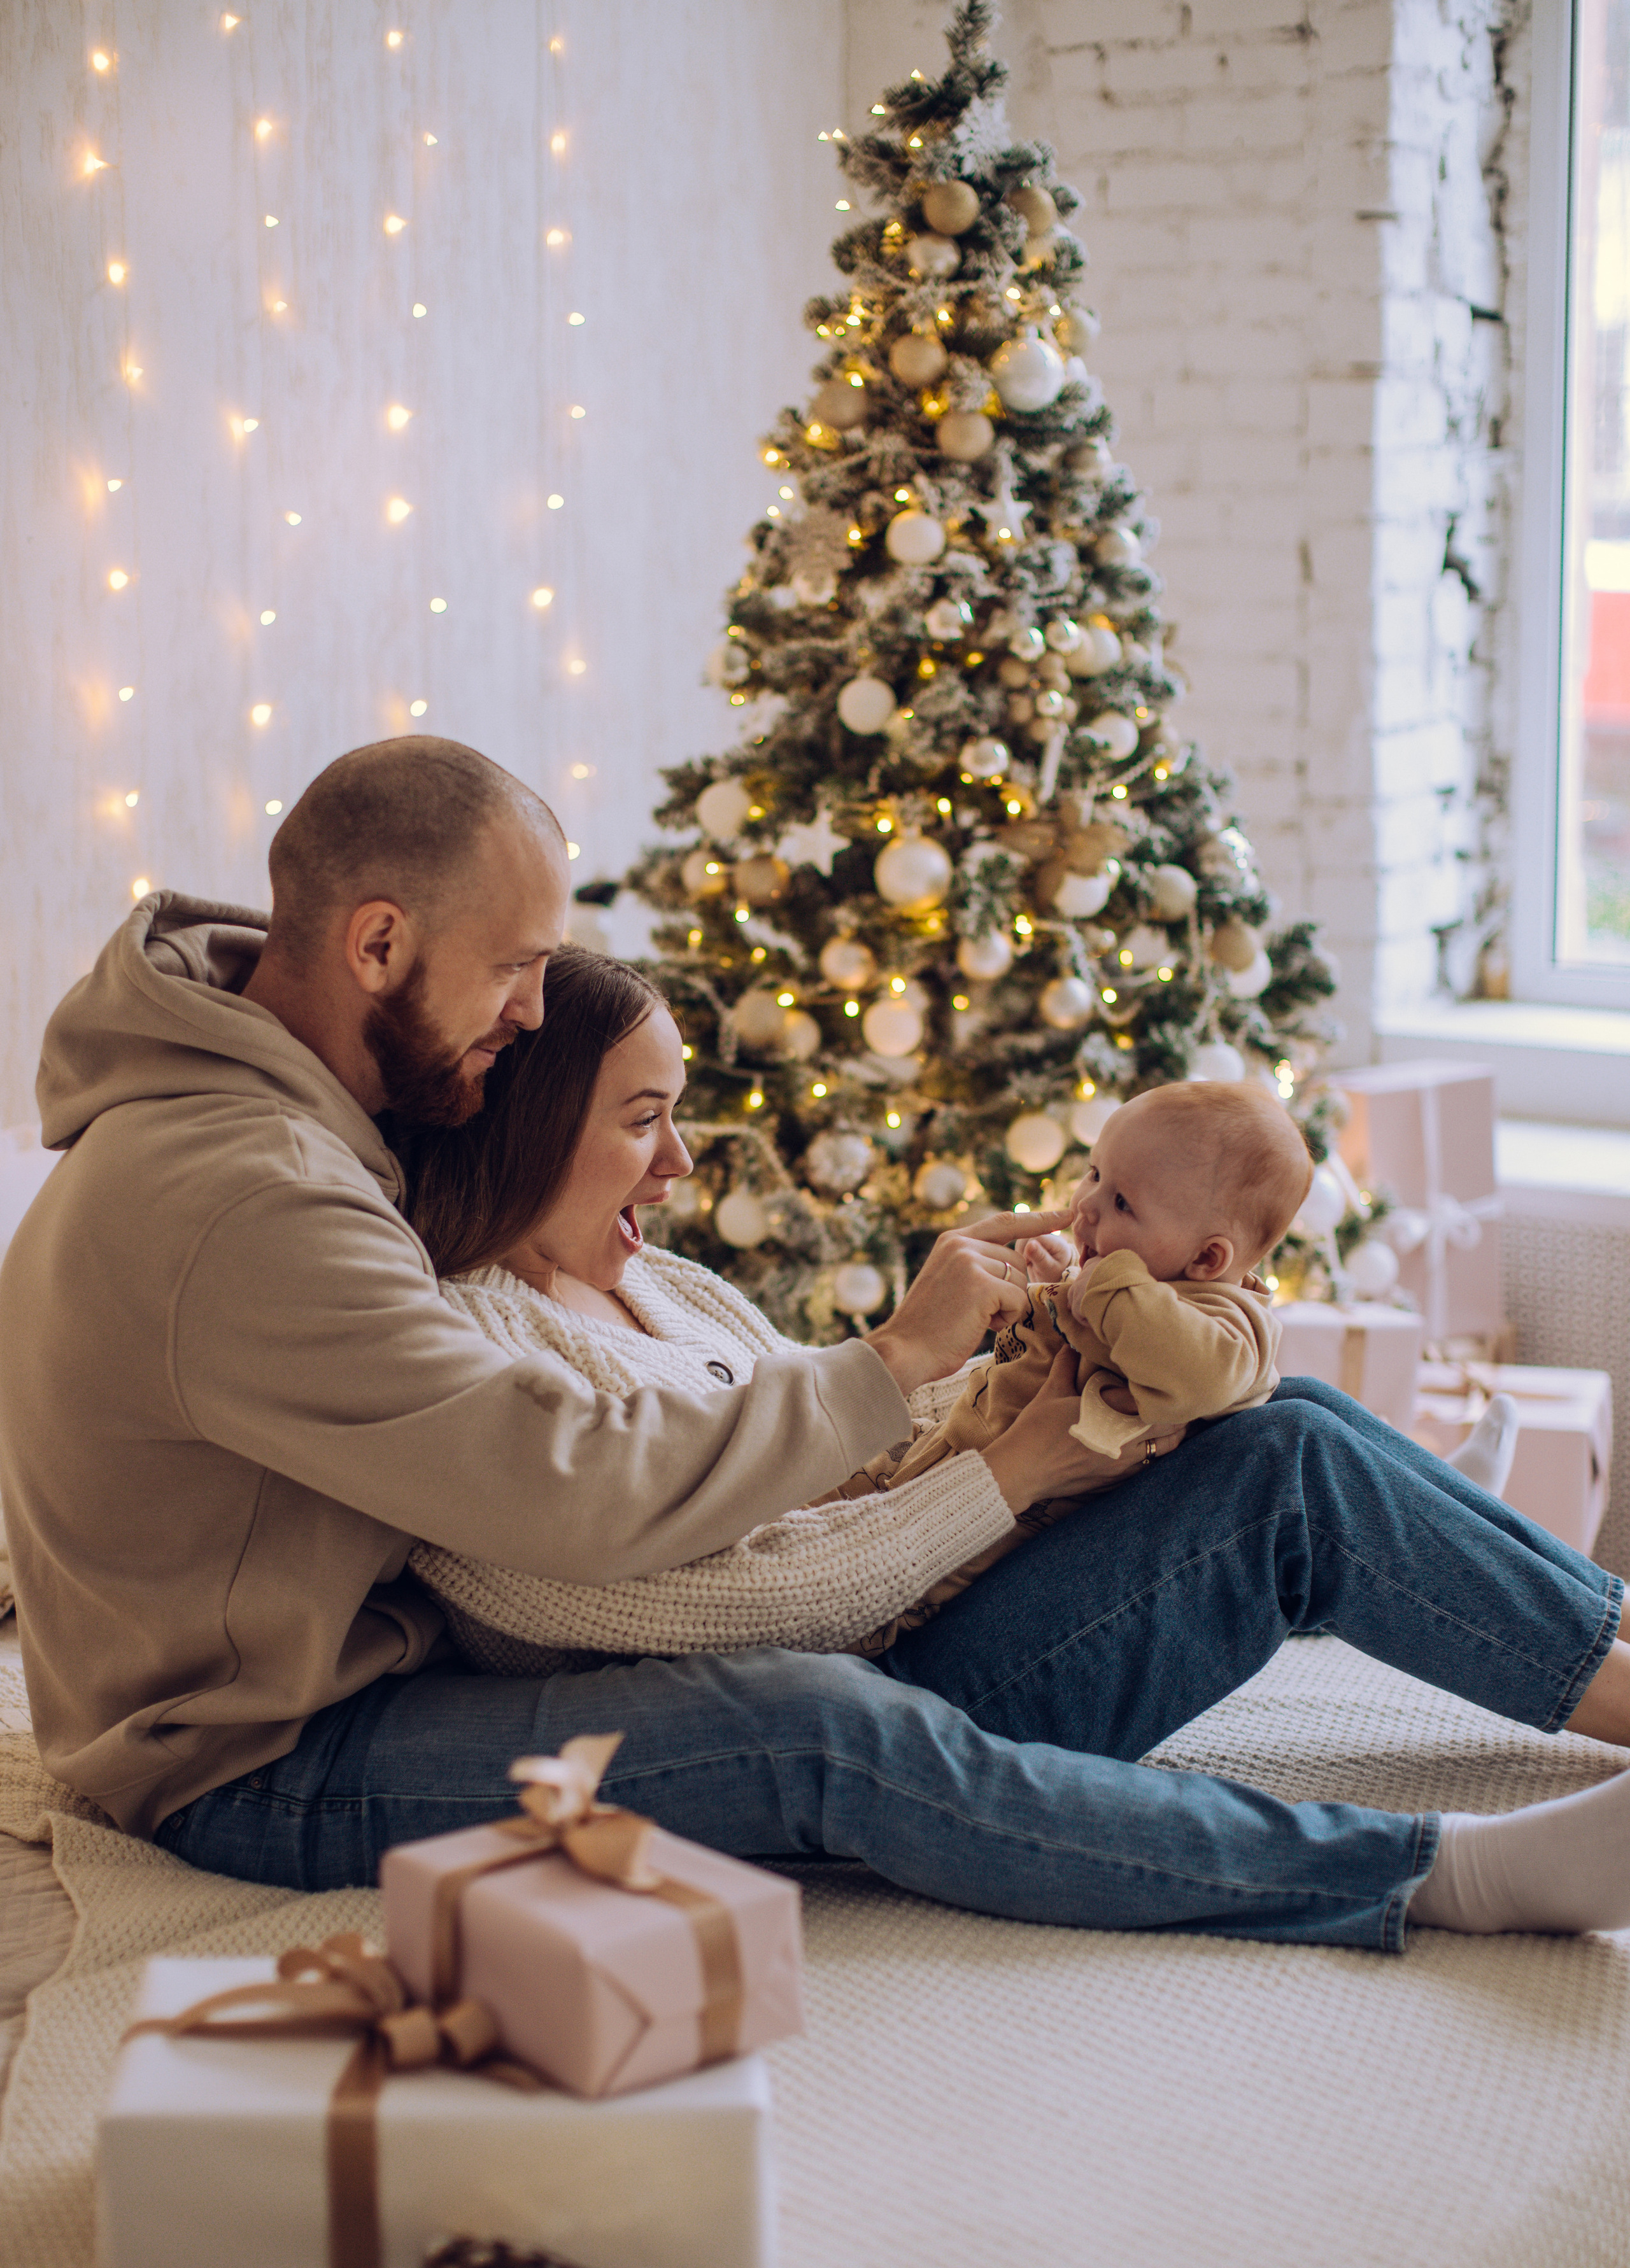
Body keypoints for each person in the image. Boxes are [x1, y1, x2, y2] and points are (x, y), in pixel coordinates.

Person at [4, 736, 1629, 1948]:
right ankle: (1439, 1876)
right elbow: (556, 1496)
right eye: (513, 972)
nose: (523, 1015)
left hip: (437, 1650)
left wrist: (987, 1406)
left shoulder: (311, 1143)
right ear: (375, 946)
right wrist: (936, 1401)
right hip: (256, 1751)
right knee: (807, 1721)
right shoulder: (259, 1198)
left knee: (1292, 1446)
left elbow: (750, 1445)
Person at [402, 947, 1630, 1947]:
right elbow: (729, 1608)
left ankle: (1485, 1568)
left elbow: (838, 1454)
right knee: (1291, 1473)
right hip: (891, 1691)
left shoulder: (662, 1285)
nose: (678, 1162)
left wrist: (989, 1359)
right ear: (536, 1130)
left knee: (1292, 1417)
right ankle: (1533, 1634)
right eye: (644, 1122)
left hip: (916, 1610)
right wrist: (1017, 1465)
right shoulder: (467, 1351)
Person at [823, 1078, 1311, 1647]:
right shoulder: (1140, 1288)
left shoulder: (1226, 1324)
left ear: (1207, 1258)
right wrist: (1062, 1280)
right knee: (820, 1493)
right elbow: (1107, 1327)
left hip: (1003, 1533)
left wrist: (1098, 1283)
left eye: (1123, 1203)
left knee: (883, 1599)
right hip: (951, 1453)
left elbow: (1199, 1371)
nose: (1085, 1205)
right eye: (1095, 1173)